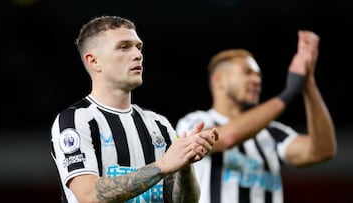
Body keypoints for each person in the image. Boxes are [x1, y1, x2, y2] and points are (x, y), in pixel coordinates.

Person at [50, 15, 218, 203]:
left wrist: (185, 164)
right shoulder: (76, 120)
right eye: (124, 47)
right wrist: (162, 165)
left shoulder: (159, 125)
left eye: (138, 47)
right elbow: (89, 195)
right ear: (94, 61)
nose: (138, 55)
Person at [175, 30, 337, 203]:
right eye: (247, 73)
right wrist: (287, 94)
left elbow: (322, 150)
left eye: (258, 75)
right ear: (219, 80)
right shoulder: (195, 122)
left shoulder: (273, 132)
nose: (257, 80)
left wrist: (308, 82)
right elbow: (228, 137)